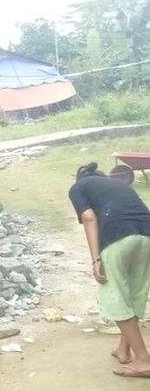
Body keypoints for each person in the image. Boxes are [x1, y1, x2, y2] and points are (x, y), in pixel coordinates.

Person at [68, 162, 150, 378]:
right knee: (133, 293)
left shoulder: (78, 187)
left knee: (115, 295)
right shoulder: (118, 185)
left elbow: (88, 217)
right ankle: (124, 350)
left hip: (118, 235)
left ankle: (143, 360)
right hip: (147, 236)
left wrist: (96, 259)